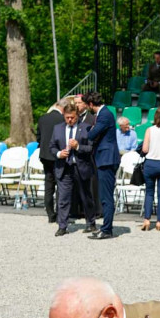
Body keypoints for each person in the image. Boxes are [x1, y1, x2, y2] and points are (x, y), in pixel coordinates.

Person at [50, 101, 95, 237]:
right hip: (64, 167)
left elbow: (90, 148)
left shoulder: (86, 128)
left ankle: (91, 222)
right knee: (63, 198)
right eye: (67, 117)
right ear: (64, 115)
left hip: (80, 167)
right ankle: (62, 225)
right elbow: (51, 146)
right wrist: (59, 154)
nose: (70, 120)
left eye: (73, 117)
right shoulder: (57, 128)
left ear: (77, 116)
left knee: (85, 196)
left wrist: (78, 147)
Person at [84, 92, 119, 240]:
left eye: (87, 106)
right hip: (104, 158)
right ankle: (105, 227)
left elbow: (91, 135)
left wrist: (88, 129)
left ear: (91, 104)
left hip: (107, 159)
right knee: (104, 195)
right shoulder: (104, 114)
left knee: (106, 196)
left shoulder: (104, 115)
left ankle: (107, 230)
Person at [36, 100, 66, 225]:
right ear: (63, 108)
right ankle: (60, 213)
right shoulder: (62, 119)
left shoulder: (42, 118)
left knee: (48, 185)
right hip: (57, 155)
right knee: (60, 185)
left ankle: (50, 214)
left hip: (44, 155)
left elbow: (38, 137)